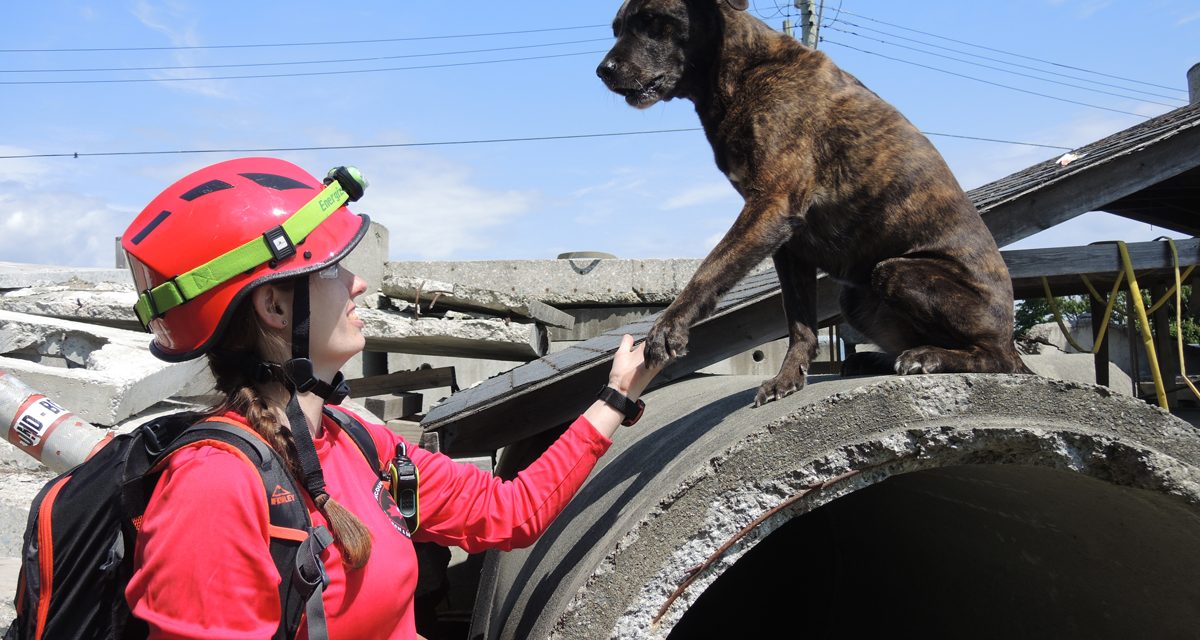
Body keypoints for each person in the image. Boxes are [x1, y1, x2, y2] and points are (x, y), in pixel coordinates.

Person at [119, 157, 662, 639]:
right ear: (275, 309)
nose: (356, 283)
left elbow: (510, 512)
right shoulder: (214, 488)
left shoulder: (356, 441)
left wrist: (615, 397)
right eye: (331, 267)